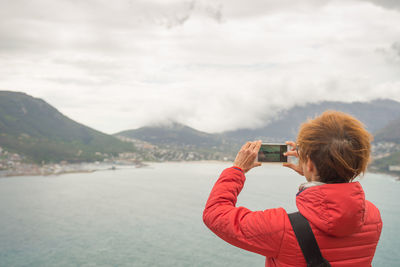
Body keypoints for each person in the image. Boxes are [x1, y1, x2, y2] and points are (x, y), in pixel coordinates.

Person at [203, 110, 382, 266]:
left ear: (309, 164)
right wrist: (314, 172)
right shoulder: (372, 216)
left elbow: (215, 214)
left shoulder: (281, 228)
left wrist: (237, 170)